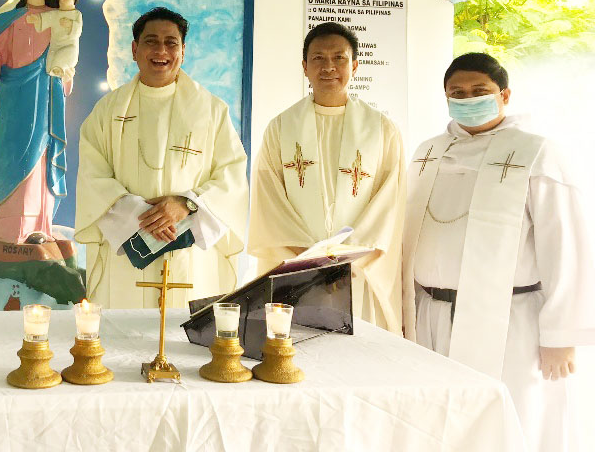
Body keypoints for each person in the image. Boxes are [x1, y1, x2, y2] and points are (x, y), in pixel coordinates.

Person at [404, 53, 595, 451]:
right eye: (458, 93)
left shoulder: (536, 153)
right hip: (430, 315)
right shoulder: (429, 152)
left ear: (504, 95)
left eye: (480, 91)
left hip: (509, 322)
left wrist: (560, 335)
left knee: (512, 423)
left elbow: (567, 246)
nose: (468, 99)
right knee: (435, 423)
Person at [75, 7, 248, 308]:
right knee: (123, 346)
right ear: (134, 49)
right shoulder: (106, 112)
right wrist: (142, 217)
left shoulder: (211, 111)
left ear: (183, 50)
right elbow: (93, 176)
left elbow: (232, 175)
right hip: (129, 247)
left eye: (171, 42)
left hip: (189, 249)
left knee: (187, 343)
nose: (161, 51)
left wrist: (186, 204)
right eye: (151, 41)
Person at [248, 22, 405, 334]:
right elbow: (269, 197)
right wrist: (307, 260)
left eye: (339, 58)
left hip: (355, 270)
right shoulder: (280, 128)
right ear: (305, 67)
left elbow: (390, 201)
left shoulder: (382, 130)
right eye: (318, 59)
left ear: (355, 66)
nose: (329, 67)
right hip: (296, 269)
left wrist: (346, 258)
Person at [0, 0, 69, 244]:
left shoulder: (60, 19)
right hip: (15, 100)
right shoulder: (8, 18)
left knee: (40, 158)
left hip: (46, 98)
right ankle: (1, 228)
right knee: (11, 154)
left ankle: (37, 226)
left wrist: (66, 71)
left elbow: (69, 51)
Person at [29, 0, 82, 80]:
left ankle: (60, 68)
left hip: (70, 46)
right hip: (55, 46)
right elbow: (45, 18)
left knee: (65, 55)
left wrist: (71, 24)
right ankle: (56, 70)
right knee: (51, 61)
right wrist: (36, 19)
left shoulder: (76, 14)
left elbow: (78, 30)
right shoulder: (55, 14)